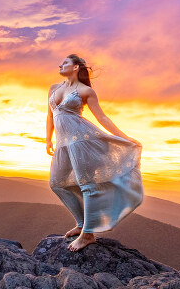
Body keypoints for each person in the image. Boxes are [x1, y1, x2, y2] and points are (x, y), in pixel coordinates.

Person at [46, 54, 143, 252]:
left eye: (65, 62)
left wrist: (124, 137)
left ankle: (87, 234)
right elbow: (50, 115)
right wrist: (48, 138)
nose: (60, 65)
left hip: (83, 141)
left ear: (76, 67)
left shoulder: (85, 91)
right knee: (56, 183)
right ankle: (82, 223)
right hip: (64, 144)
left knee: (87, 185)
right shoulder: (54, 88)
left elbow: (103, 118)